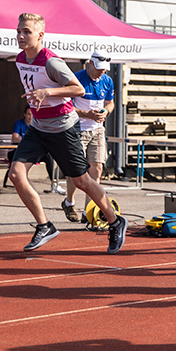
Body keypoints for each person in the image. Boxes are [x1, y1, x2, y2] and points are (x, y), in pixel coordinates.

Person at [8, 13, 125, 254]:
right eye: (19, 30)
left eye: (26, 31)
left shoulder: (51, 62)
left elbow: (78, 89)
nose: (20, 35)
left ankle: (115, 222)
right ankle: (44, 226)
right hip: (39, 127)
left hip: (63, 126)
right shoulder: (21, 59)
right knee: (16, 174)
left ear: (40, 35)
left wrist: (46, 93)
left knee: (81, 180)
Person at [61, 49, 116, 223]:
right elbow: (66, 107)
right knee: (76, 172)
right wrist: (87, 114)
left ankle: (88, 211)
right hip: (77, 130)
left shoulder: (107, 80)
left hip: (98, 130)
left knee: (97, 169)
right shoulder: (76, 78)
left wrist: (105, 112)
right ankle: (69, 202)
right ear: (90, 63)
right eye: (99, 67)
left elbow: (110, 103)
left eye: (104, 68)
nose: (102, 71)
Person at [8, 105, 63, 195]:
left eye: (32, 114)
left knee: (48, 157)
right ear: (24, 114)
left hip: (33, 152)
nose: (31, 117)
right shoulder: (19, 123)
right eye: (29, 114)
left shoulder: (37, 124)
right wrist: (29, 141)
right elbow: (15, 138)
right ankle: (23, 184)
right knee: (16, 170)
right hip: (17, 151)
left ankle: (54, 184)